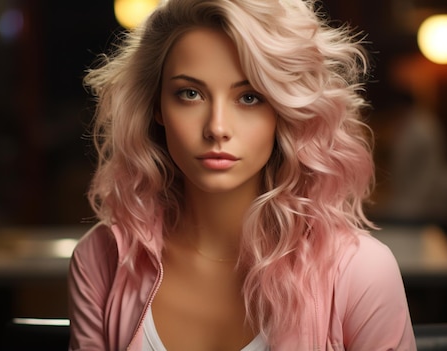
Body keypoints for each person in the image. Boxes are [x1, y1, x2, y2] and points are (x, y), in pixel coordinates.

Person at [68, 0, 416, 350]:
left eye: (249, 97)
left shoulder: (361, 272)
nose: (217, 128)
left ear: (284, 110)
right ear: (157, 106)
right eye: (190, 94)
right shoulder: (102, 260)